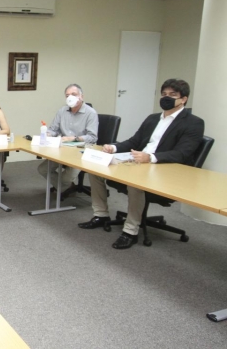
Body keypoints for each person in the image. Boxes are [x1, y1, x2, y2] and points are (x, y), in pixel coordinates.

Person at [78, 79, 204, 249]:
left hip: (164, 168)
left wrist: (150, 157)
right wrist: (113, 147)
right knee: (96, 170)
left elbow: (182, 153)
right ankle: (101, 215)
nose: (166, 98)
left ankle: (130, 231)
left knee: (135, 184)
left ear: (184, 99)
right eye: (164, 94)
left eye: (172, 95)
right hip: (139, 162)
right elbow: (134, 141)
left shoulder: (193, 122)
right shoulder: (153, 119)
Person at [37, 84, 98, 195]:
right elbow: (53, 129)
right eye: (67, 95)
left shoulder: (91, 113)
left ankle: (64, 186)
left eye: (74, 94)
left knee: (66, 177)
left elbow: (92, 137)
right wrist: (48, 134)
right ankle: (67, 187)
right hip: (62, 148)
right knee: (43, 169)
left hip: (81, 150)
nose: (70, 97)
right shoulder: (62, 111)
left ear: (81, 96)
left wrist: (75, 138)